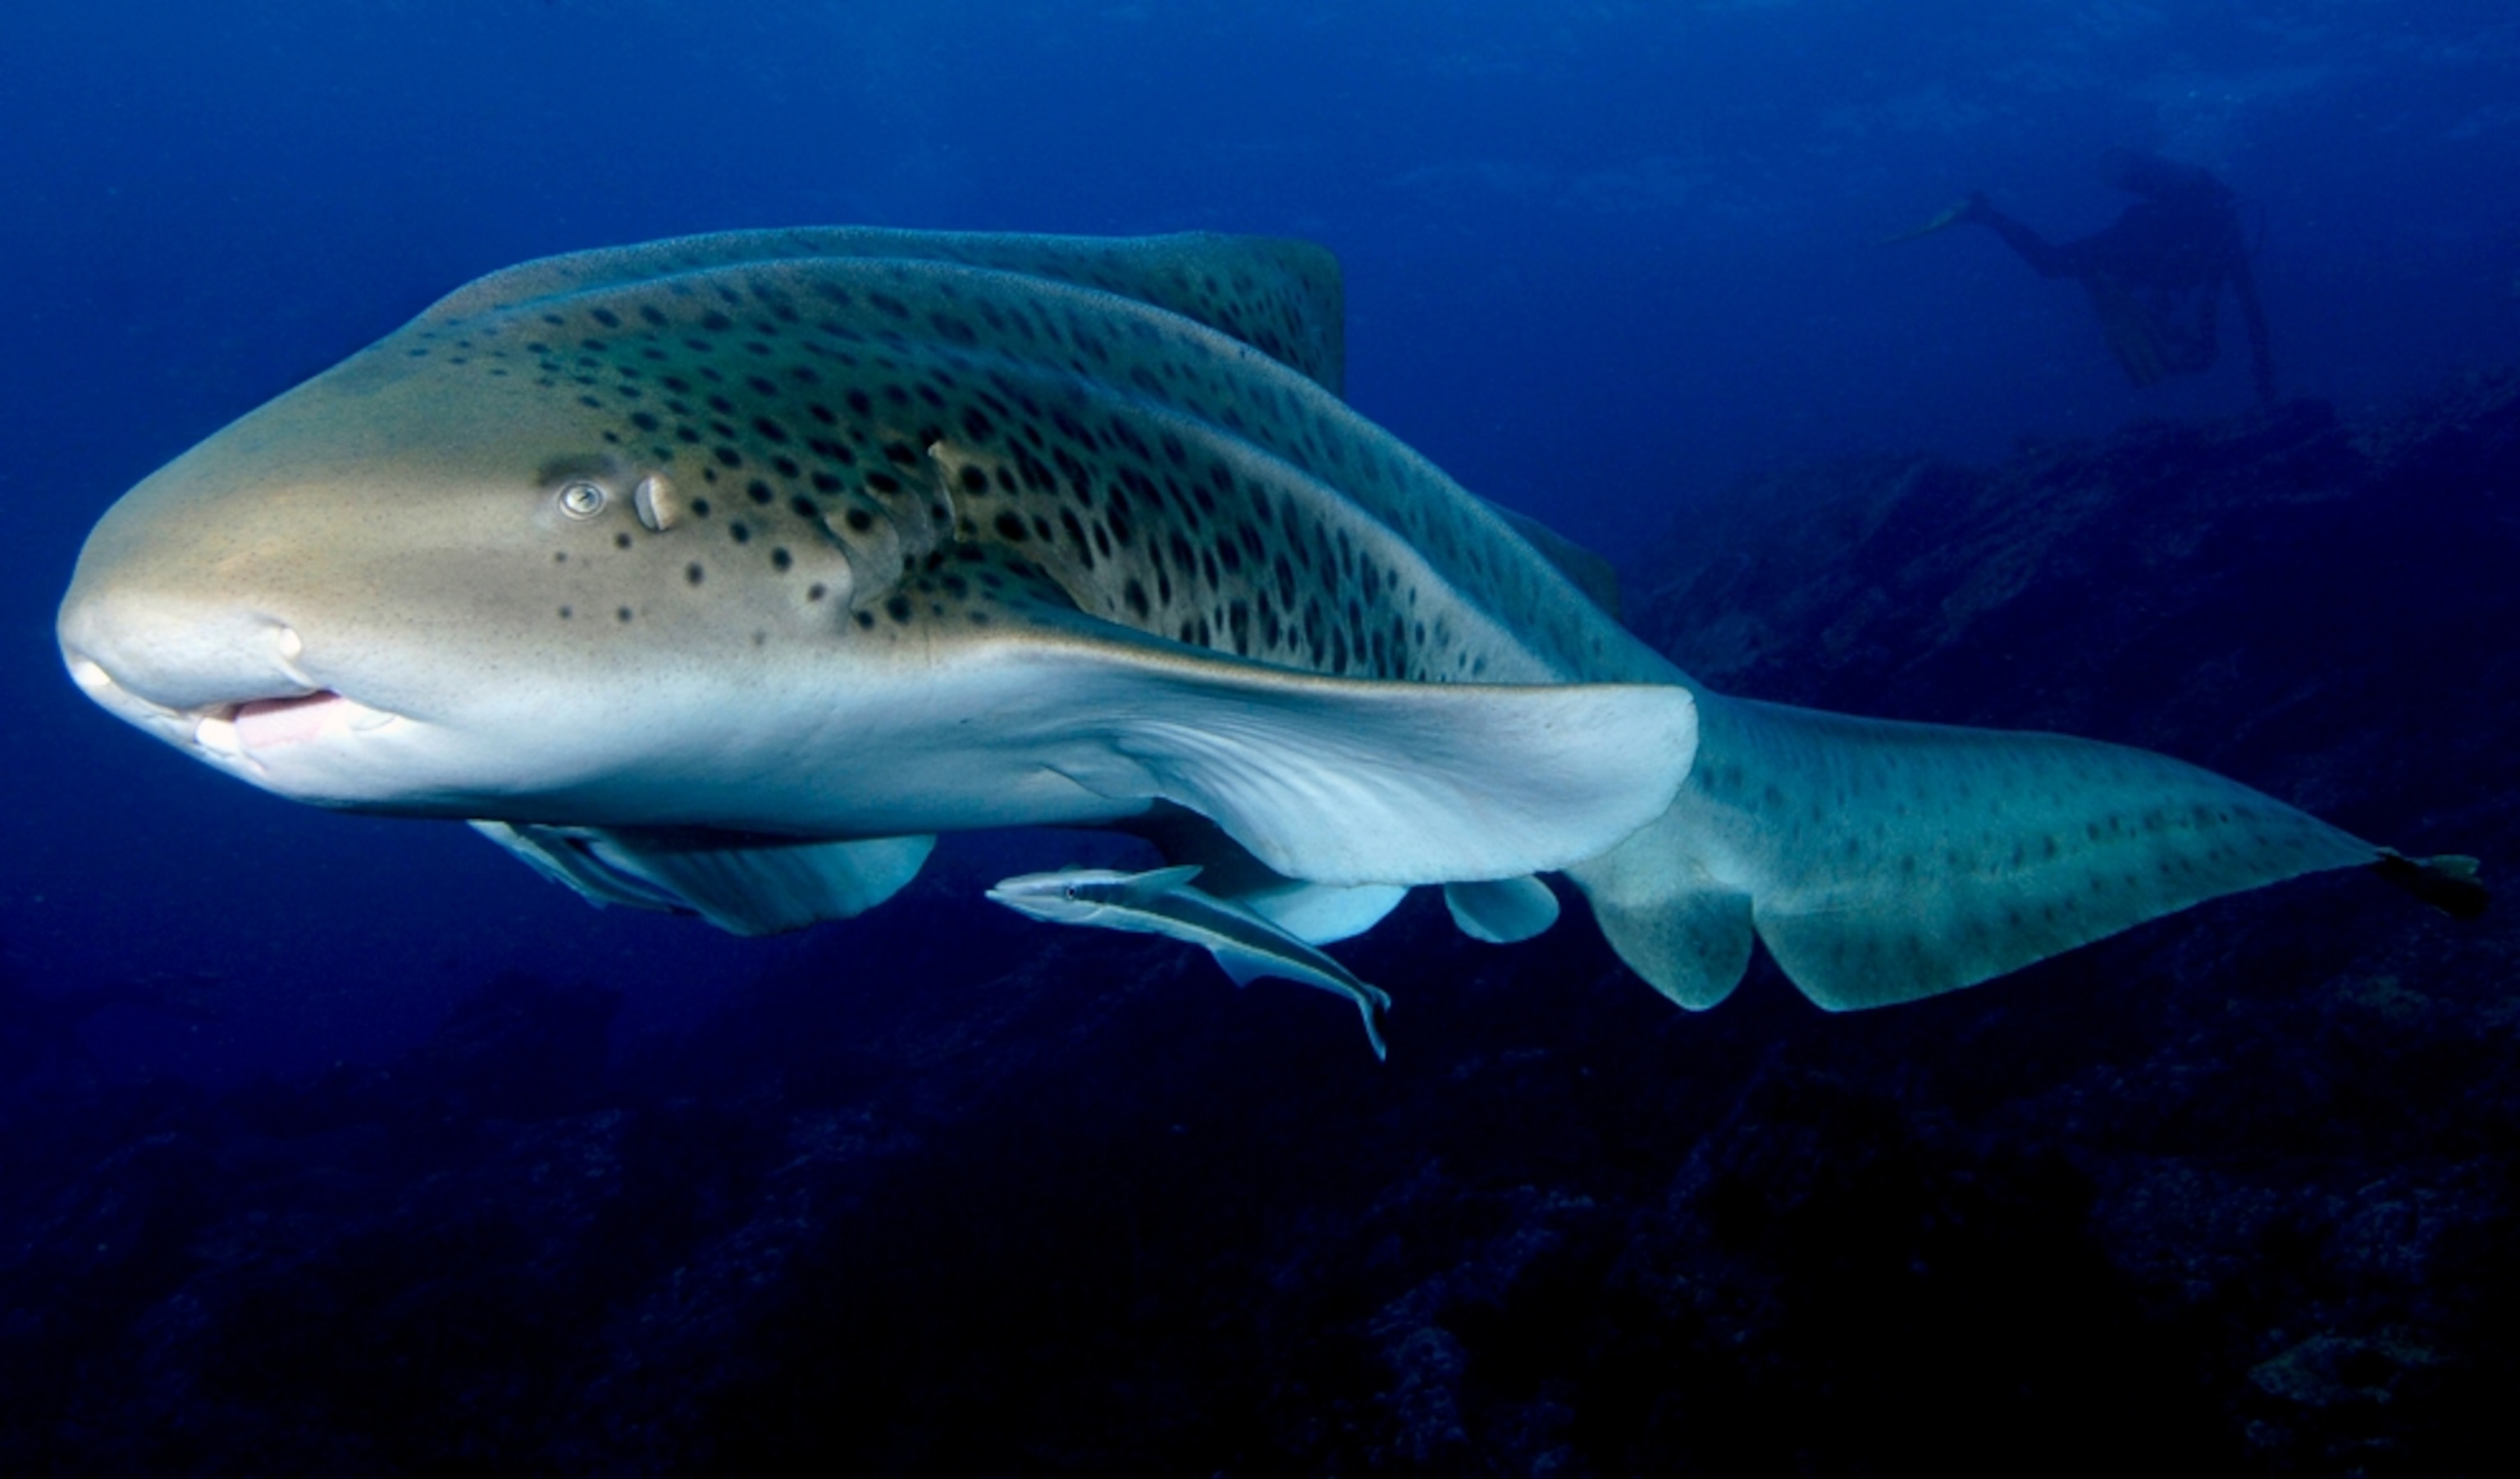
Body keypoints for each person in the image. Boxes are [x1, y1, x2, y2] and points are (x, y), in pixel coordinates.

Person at [1908, 149, 2275, 404]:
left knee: (2052, 262)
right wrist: (2265, 386)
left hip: (2139, 233)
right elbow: (2247, 316)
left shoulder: (2206, 233)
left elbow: (2185, 307)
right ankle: (1984, 215)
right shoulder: (2224, 244)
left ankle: (1984, 213)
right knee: (2052, 264)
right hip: (2141, 245)